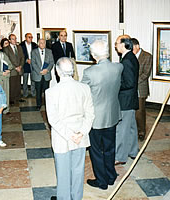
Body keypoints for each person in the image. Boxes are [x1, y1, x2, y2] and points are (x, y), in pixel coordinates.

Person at [46, 57, 94, 200]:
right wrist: (81, 133)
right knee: (78, 170)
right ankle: (76, 197)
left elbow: (53, 119)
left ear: (57, 71)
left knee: (63, 172)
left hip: (62, 137)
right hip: (80, 136)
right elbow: (90, 114)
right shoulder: (84, 88)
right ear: (72, 71)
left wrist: (69, 134)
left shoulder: (51, 92)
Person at [82, 40, 123, 190]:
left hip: (96, 118)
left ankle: (102, 181)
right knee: (110, 147)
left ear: (93, 55)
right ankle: (111, 176)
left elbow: (83, 94)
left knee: (96, 151)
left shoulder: (89, 72)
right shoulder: (118, 67)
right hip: (112, 115)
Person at [114, 35, 140, 165]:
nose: (115, 45)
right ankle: (133, 151)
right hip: (130, 99)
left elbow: (129, 82)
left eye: (117, 43)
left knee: (122, 129)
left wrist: (115, 85)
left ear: (124, 44)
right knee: (131, 127)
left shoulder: (127, 60)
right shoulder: (130, 57)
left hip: (126, 100)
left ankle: (120, 157)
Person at [131, 38, 153, 141]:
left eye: (132, 48)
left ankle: (141, 131)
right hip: (130, 88)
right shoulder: (130, 56)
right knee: (131, 112)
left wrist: (133, 81)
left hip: (140, 88)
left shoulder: (147, 56)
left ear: (137, 46)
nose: (131, 50)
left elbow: (146, 74)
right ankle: (133, 130)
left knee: (139, 111)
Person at [30, 39, 54, 110]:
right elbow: (33, 63)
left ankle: (47, 105)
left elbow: (51, 62)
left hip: (46, 74)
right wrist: (40, 71)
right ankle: (38, 105)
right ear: (38, 44)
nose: (42, 44)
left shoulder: (49, 51)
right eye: (41, 43)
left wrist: (47, 70)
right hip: (38, 75)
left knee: (47, 91)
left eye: (44, 43)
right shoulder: (34, 52)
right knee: (38, 91)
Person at [3, 34, 25, 104]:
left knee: (18, 84)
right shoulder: (6, 49)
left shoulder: (19, 47)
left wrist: (20, 66)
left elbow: (22, 57)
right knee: (12, 85)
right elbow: (7, 60)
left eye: (15, 39)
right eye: (13, 39)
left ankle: (18, 97)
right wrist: (15, 67)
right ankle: (11, 99)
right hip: (12, 70)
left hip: (19, 69)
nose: (15, 40)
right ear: (9, 40)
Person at [20, 33, 38, 98]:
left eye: (31, 37)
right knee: (25, 80)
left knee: (33, 80)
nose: (30, 38)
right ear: (25, 38)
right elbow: (20, 55)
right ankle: (25, 93)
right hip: (25, 64)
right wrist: (26, 60)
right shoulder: (21, 45)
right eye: (29, 37)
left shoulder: (34, 45)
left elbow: (36, 54)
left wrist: (32, 60)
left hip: (33, 64)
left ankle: (33, 93)